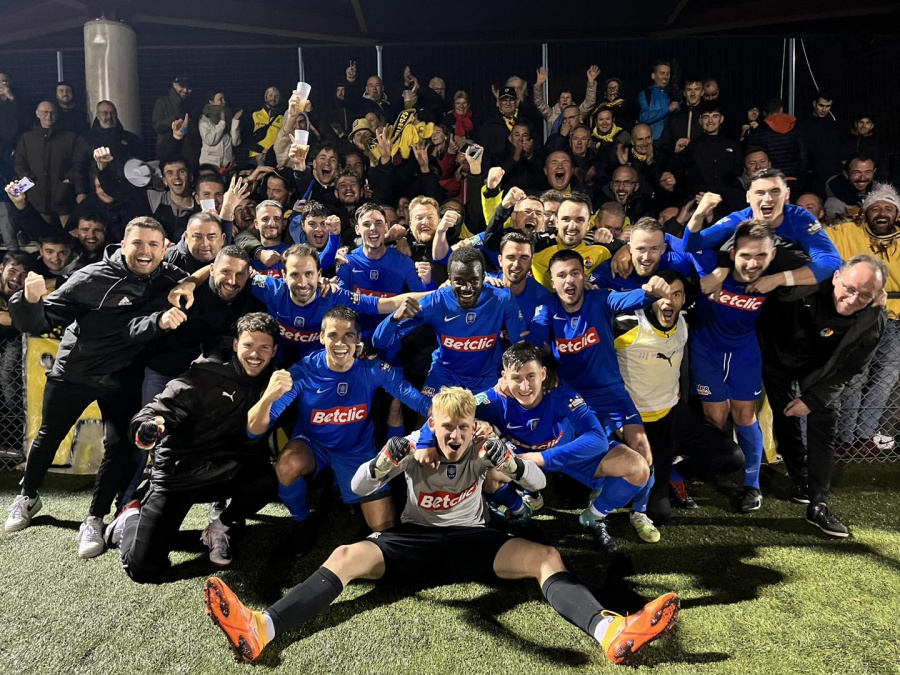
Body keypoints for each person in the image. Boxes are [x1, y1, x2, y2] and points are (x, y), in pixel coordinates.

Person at [204, 386, 680, 665]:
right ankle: (262, 627)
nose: (454, 435)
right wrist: (386, 460)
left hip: (475, 541)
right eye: (446, 427)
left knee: (546, 558)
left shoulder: (485, 448)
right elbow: (358, 483)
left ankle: (610, 632)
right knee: (344, 555)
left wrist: (510, 463)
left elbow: (536, 483)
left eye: (463, 427)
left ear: (474, 426)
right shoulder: (415, 446)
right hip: (414, 541)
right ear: (433, 423)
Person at [4, 217, 188, 559]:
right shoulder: (91, 277)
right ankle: (27, 496)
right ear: (123, 244)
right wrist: (28, 300)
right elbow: (40, 321)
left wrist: (190, 283)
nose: (145, 251)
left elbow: (203, 273)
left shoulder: (167, 277)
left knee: (119, 445)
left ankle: (95, 518)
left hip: (123, 376)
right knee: (49, 436)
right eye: (138, 243)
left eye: (153, 244)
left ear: (165, 249)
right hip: (76, 372)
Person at [103, 312, 282, 579]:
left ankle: (219, 527)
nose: (255, 354)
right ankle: (131, 516)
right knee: (144, 569)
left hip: (227, 469)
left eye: (264, 347)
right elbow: (156, 412)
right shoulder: (204, 374)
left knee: (272, 479)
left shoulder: (275, 381)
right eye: (248, 345)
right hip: (180, 475)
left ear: (274, 351)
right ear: (236, 345)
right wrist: (151, 426)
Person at [247, 306, 432, 555]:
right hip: (312, 443)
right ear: (321, 337)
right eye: (333, 335)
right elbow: (254, 431)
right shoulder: (303, 371)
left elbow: (418, 401)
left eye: (348, 336)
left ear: (358, 340)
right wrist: (268, 397)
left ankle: (343, 488)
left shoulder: (372, 368)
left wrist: (459, 413)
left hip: (357, 450)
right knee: (287, 465)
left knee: (385, 530)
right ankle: (301, 522)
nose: (340, 343)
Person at [528, 249, 672, 549]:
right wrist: (535, 354)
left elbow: (629, 299)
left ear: (584, 277)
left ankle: (636, 512)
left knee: (643, 452)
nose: (569, 280)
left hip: (611, 393)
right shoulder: (547, 306)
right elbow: (537, 336)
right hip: (574, 398)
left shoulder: (600, 299)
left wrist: (650, 292)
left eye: (575, 273)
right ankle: (593, 499)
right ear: (553, 282)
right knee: (582, 452)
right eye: (561, 275)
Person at [757, 255, 887, 537]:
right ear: (837, 276)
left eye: (865, 295)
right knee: (784, 415)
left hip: (820, 369)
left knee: (824, 420)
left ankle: (818, 504)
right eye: (850, 288)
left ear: (878, 296)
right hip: (777, 355)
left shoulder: (874, 319)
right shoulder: (808, 280)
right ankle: (799, 479)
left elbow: (851, 368)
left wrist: (813, 400)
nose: (853, 299)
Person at [613, 268, 744, 525]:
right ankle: (648, 476)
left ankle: (675, 472)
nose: (669, 302)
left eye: (676, 295)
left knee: (731, 457)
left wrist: (723, 269)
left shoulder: (684, 318)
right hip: (637, 422)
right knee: (659, 515)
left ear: (684, 299)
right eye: (662, 295)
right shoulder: (626, 324)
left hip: (673, 415)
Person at [683, 199, 777, 512]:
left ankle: (752, 485)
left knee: (745, 415)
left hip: (744, 351)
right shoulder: (713, 266)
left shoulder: (772, 277)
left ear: (772, 255)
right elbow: (690, 243)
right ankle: (718, 472)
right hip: (706, 350)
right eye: (746, 255)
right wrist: (700, 212)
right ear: (733, 252)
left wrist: (781, 278)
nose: (753, 263)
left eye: (761, 256)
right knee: (715, 417)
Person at [372, 247, 525, 396]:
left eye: (474, 280)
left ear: (483, 277)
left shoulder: (503, 299)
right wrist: (394, 318)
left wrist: (510, 377)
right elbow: (379, 341)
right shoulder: (436, 301)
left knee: (495, 412)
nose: (466, 288)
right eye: (459, 281)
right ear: (449, 278)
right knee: (430, 412)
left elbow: (519, 346)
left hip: (487, 377)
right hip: (445, 375)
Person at [828, 185, 900, 455]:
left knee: (887, 376)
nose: (882, 213)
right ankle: (845, 438)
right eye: (876, 208)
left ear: (897, 215)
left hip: (894, 318)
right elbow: (817, 239)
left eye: (888, 208)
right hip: (858, 316)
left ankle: (864, 435)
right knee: (856, 377)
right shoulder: (847, 232)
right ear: (865, 212)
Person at [15, 101, 77, 222]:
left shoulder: (69, 138)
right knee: (42, 231)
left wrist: (68, 178)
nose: (49, 116)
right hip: (37, 197)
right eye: (45, 112)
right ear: (37, 114)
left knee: (69, 231)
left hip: (63, 197)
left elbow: (77, 162)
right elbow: (20, 162)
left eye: (52, 113)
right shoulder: (27, 138)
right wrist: (28, 179)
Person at [71, 100, 141, 203]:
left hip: (127, 194)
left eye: (112, 113)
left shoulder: (131, 138)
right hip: (97, 194)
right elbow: (79, 167)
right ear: (98, 115)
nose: (109, 117)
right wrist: (81, 192)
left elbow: (141, 163)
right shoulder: (86, 139)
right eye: (105, 113)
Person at [798, 92, 841, 197]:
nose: (824, 109)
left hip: (831, 174)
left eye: (828, 106)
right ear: (814, 104)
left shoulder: (833, 125)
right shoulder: (804, 124)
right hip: (811, 176)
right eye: (821, 105)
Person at [824, 155, 879, 220]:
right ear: (846, 174)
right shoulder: (834, 204)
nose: (862, 178)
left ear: (874, 172)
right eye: (856, 173)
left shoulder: (880, 194)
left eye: (868, 172)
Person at [198, 92, 242, 169]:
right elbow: (210, 140)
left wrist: (235, 121)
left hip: (228, 165)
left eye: (224, 99)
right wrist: (222, 123)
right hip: (210, 165)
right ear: (211, 102)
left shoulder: (228, 116)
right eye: (220, 99)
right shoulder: (205, 120)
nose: (224, 102)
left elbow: (235, 142)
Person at [637, 61, 677, 141]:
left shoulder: (673, 94)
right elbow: (644, 118)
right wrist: (668, 109)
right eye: (662, 73)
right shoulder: (645, 95)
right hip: (653, 142)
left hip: (671, 141)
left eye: (668, 74)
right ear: (653, 76)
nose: (665, 77)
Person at [250, 87, 284, 158]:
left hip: (274, 156)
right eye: (270, 95)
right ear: (265, 98)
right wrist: (261, 150)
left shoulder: (283, 118)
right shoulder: (255, 115)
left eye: (276, 96)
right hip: (257, 155)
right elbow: (247, 137)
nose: (273, 98)